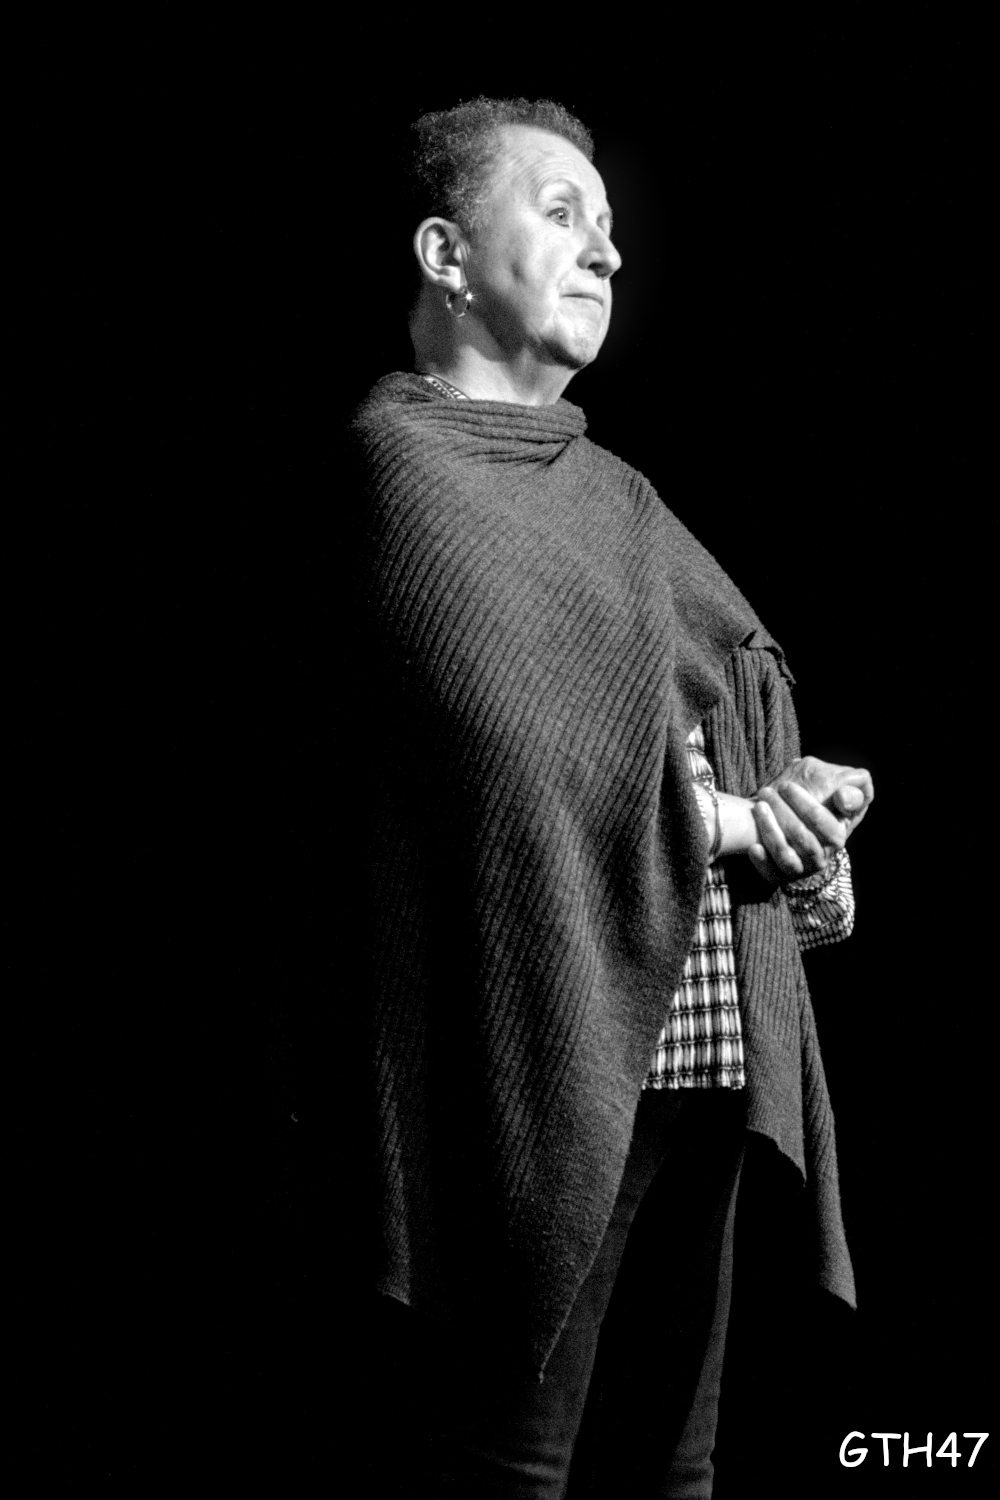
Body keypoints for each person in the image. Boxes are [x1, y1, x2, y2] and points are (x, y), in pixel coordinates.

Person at [353, 97, 873, 1499]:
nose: (607, 252)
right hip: (541, 1057)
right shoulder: (404, 476)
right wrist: (733, 823)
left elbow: (715, 709)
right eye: (562, 213)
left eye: (612, 226)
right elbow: (511, 768)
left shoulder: (615, 497)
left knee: (672, 1471)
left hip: (702, 1050)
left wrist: (797, 803)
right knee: (514, 1471)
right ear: (446, 256)